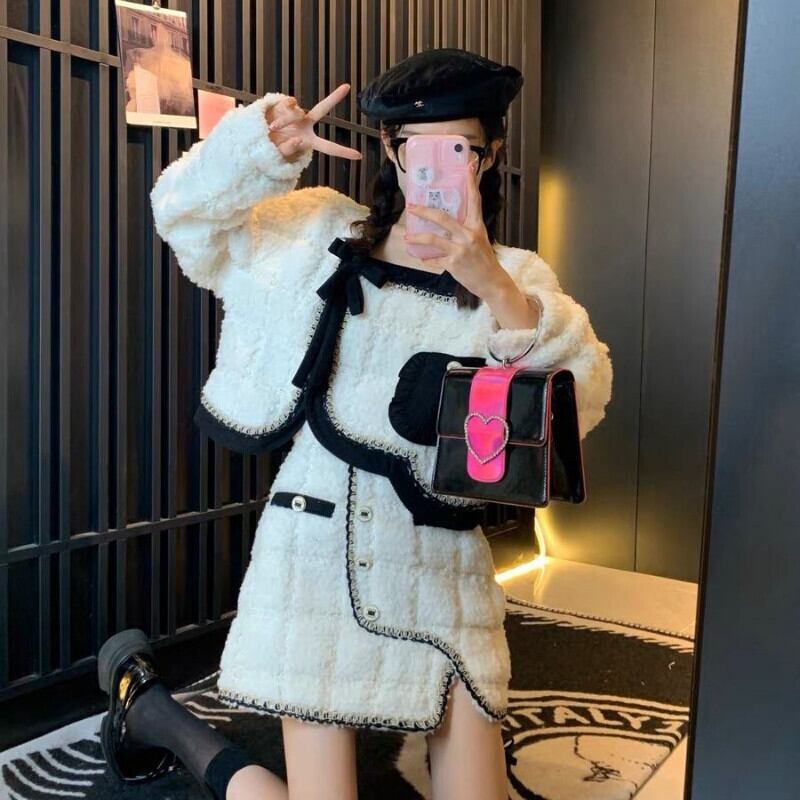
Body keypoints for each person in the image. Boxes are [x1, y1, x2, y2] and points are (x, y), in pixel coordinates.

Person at [97, 47, 613, 800]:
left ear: (490, 152)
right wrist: (255, 152)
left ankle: (153, 713)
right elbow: (182, 218)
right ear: (390, 151)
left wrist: (495, 289)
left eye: (457, 148)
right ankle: (161, 719)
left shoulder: (518, 275)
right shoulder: (314, 232)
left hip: (440, 567)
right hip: (313, 552)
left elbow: (582, 401)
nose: (432, 167)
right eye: (415, 148)